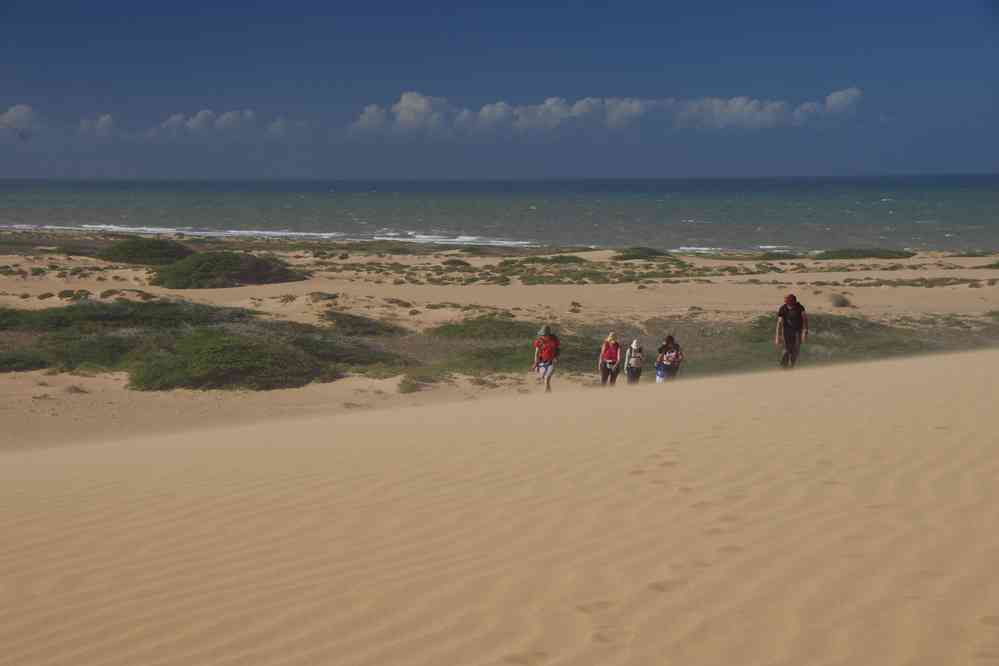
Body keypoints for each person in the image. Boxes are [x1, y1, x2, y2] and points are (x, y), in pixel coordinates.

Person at [776, 293, 808, 368]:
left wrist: (805, 331)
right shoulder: (783, 308)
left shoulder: (800, 307)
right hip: (786, 331)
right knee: (786, 350)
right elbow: (779, 322)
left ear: (793, 301)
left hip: (797, 331)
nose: (786, 302)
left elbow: (805, 319)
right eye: (786, 301)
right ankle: (784, 366)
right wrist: (778, 336)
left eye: (788, 301)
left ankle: (792, 365)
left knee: (796, 350)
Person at [532, 324, 560, 393]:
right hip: (542, 362)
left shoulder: (554, 339)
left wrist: (556, 357)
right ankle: (549, 393)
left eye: (544, 334)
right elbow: (536, 354)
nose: (543, 336)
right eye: (542, 335)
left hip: (551, 362)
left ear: (548, 334)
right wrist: (536, 363)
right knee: (544, 379)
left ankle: (545, 394)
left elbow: (558, 349)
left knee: (547, 378)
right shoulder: (539, 341)